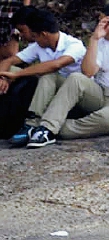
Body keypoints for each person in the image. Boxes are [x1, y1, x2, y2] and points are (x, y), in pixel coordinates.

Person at [20, 4, 109, 147]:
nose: (98, 26)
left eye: (101, 22)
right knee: (73, 78)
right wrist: (94, 40)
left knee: (107, 121)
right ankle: (43, 127)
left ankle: (50, 128)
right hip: (99, 91)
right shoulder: (102, 41)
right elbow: (88, 72)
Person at [2, 9, 86, 146]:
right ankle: (31, 124)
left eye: (35, 37)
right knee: (37, 74)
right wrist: (3, 78)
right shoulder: (40, 45)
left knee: (48, 73)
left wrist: (16, 75)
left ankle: (47, 127)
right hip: (55, 96)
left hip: (77, 96)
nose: (33, 40)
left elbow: (55, 65)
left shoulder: (74, 45)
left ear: (44, 34)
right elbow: (9, 61)